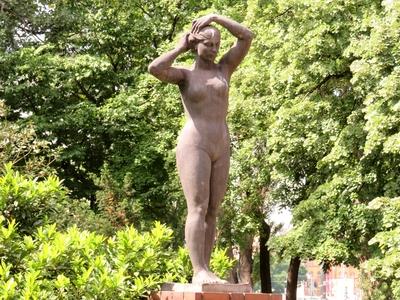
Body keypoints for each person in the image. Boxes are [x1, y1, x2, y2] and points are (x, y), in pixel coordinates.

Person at [148, 13, 253, 284]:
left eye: (217, 44)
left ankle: (206, 268)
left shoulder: (224, 69)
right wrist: (180, 47)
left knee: (213, 209)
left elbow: (246, 36)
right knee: (197, 206)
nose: (215, 49)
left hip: (221, 142)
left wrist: (217, 17)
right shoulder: (185, 74)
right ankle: (198, 270)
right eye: (208, 44)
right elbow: (155, 69)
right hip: (195, 142)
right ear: (196, 44)